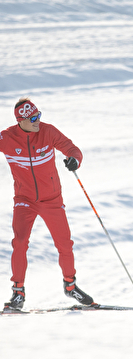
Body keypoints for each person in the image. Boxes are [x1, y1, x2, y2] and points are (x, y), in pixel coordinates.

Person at [0, 97, 94, 311]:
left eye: (38, 115)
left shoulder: (48, 132)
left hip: (52, 200)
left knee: (64, 244)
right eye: (33, 118)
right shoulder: (6, 138)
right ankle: (18, 293)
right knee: (20, 242)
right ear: (20, 120)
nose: (37, 120)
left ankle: (70, 286)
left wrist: (74, 160)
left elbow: (72, 148)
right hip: (24, 200)